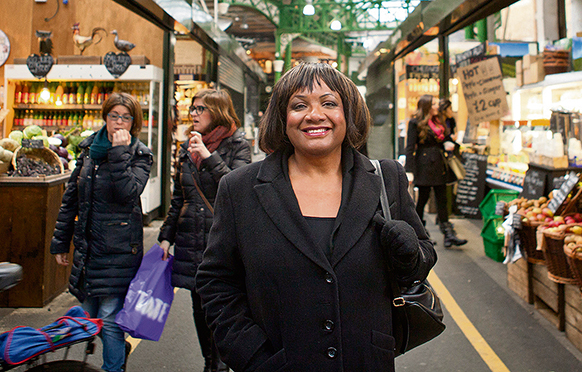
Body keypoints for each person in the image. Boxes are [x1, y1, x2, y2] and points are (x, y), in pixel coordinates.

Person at [194, 62, 437, 372]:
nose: (314, 115)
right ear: (282, 118)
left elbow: (422, 260)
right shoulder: (240, 189)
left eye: (329, 103)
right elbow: (217, 282)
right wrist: (255, 358)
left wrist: (408, 253)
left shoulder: (385, 180)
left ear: (347, 114)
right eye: (299, 105)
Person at [50, 92, 153, 372]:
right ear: (105, 117)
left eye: (126, 117)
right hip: (88, 248)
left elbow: (128, 193)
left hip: (119, 249)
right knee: (87, 318)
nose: (118, 122)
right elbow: (71, 197)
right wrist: (60, 243)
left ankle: (113, 368)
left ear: (135, 122)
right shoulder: (88, 150)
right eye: (113, 116)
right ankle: (118, 352)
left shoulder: (140, 154)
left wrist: (119, 154)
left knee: (109, 319)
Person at [158, 89, 251, 372]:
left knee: (222, 313)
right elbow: (180, 198)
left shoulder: (238, 145)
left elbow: (239, 190)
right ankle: (210, 364)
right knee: (200, 310)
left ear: (217, 112)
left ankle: (218, 367)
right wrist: (165, 236)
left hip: (222, 245)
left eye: (200, 109)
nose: (194, 114)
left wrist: (209, 157)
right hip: (191, 243)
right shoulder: (188, 148)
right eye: (193, 110)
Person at [405, 94, 467, 248]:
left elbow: (445, 138)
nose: (436, 106)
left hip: (439, 164)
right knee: (423, 199)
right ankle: (420, 233)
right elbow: (410, 147)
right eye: (433, 104)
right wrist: (409, 170)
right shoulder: (415, 123)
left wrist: (448, 143)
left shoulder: (439, 121)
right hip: (424, 164)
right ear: (426, 106)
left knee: (442, 199)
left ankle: (448, 234)